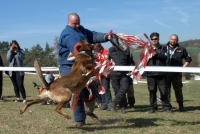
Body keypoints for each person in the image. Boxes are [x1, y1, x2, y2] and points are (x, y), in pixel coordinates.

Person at [58, 13, 111, 127]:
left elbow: (93, 35)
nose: (77, 25)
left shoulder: (82, 30)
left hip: (84, 65)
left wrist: (106, 36)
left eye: (78, 23)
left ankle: (88, 110)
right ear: (68, 23)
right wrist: (82, 51)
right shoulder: (66, 34)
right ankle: (79, 120)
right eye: (74, 23)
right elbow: (74, 45)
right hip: (69, 66)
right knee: (77, 92)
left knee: (91, 88)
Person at [146, 32, 172, 113]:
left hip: (161, 73)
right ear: (151, 40)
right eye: (153, 39)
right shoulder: (146, 48)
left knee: (164, 91)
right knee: (152, 91)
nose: (154, 40)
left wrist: (156, 54)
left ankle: (166, 107)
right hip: (150, 73)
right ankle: (152, 107)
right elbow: (143, 59)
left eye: (156, 39)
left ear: (158, 39)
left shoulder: (164, 48)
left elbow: (165, 57)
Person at [166, 34, 192, 112]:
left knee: (178, 90)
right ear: (169, 39)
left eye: (175, 39)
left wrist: (183, 67)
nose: (174, 41)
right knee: (166, 90)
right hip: (166, 73)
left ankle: (181, 106)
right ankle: (168, 107)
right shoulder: (163, 48)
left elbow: (188, 59)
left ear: (177, 40)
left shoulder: (181, 49)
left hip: (176, 74)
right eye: (172, 39)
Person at [108, 45, 134, 114]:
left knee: (124, 89)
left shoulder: (127, 50)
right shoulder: (110, 50)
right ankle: (122, 107)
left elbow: (130, 61)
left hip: (124, 74)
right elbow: (107, 61)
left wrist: (131, 68)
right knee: (117, 91)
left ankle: (113, 103)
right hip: (114, 74)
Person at [93, 43, 112, 110]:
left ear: (99, 47)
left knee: (106, 88)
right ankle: (104, 104)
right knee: (100, 89)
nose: (95, 50)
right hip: (97, 74)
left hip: (105, 73)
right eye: (94, 49)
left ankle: (109, 104)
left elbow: (109, 62)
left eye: (96, 48)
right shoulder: (95, 54)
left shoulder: (106, 52)